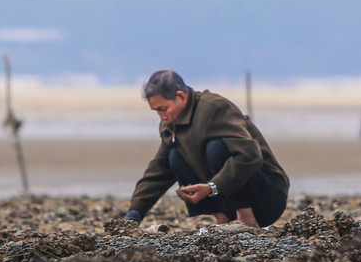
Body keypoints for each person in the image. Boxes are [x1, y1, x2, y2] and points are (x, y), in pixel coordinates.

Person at [124, 69, 289, 229]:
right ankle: (222, 218)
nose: (162, 116)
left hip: (267, 197)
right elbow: (159, 170)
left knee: (216, 149)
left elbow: (250, 156)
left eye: (163, 109)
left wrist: (212, 187)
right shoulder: (170, 125)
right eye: (157, 111)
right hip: (225, 201)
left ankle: (246, 218)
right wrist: (135, 212)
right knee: (175, 156)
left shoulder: (214, 108)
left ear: (180, 96)